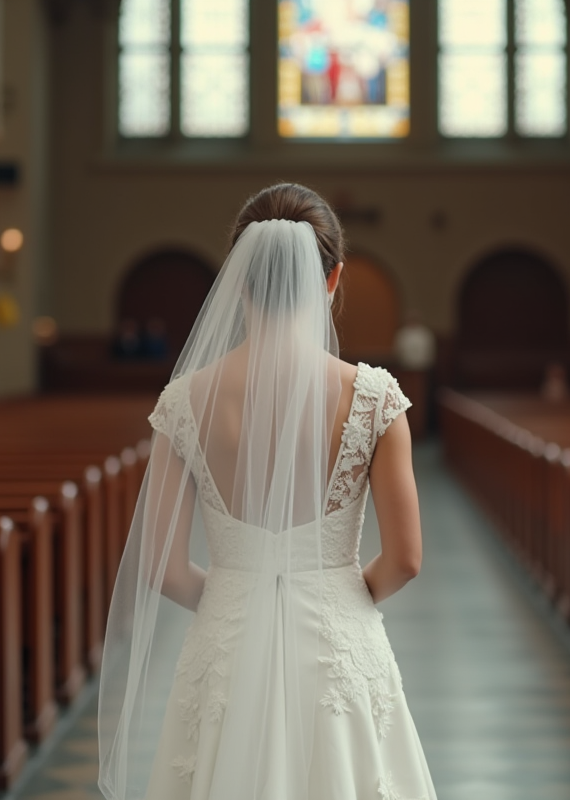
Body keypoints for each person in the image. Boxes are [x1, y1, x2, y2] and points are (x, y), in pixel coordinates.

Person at [97, 183, 435, 800]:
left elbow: (161, 566)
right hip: (337, 639)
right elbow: (407, 558)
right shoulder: (375, 399)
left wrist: (235, 595)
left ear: (239, 280)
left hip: (226, 639)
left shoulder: (184, 401)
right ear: (331, 279)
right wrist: (338, 593)